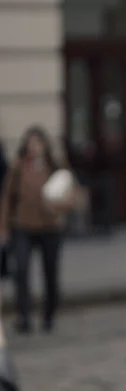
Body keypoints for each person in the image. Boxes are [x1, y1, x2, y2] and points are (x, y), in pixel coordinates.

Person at [0, 126, 74, 334]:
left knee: (50, 272)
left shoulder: (54, 166)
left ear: (44, 145)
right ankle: (24, 316)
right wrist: (3, 227)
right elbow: (7, 197)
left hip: (50, 227)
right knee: (21, 269)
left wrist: (63, 204)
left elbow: (71, 193)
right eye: (31, 144)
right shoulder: (18, 167)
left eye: (38, 143)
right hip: (23, 226)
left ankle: (49, 314)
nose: (35, 148)